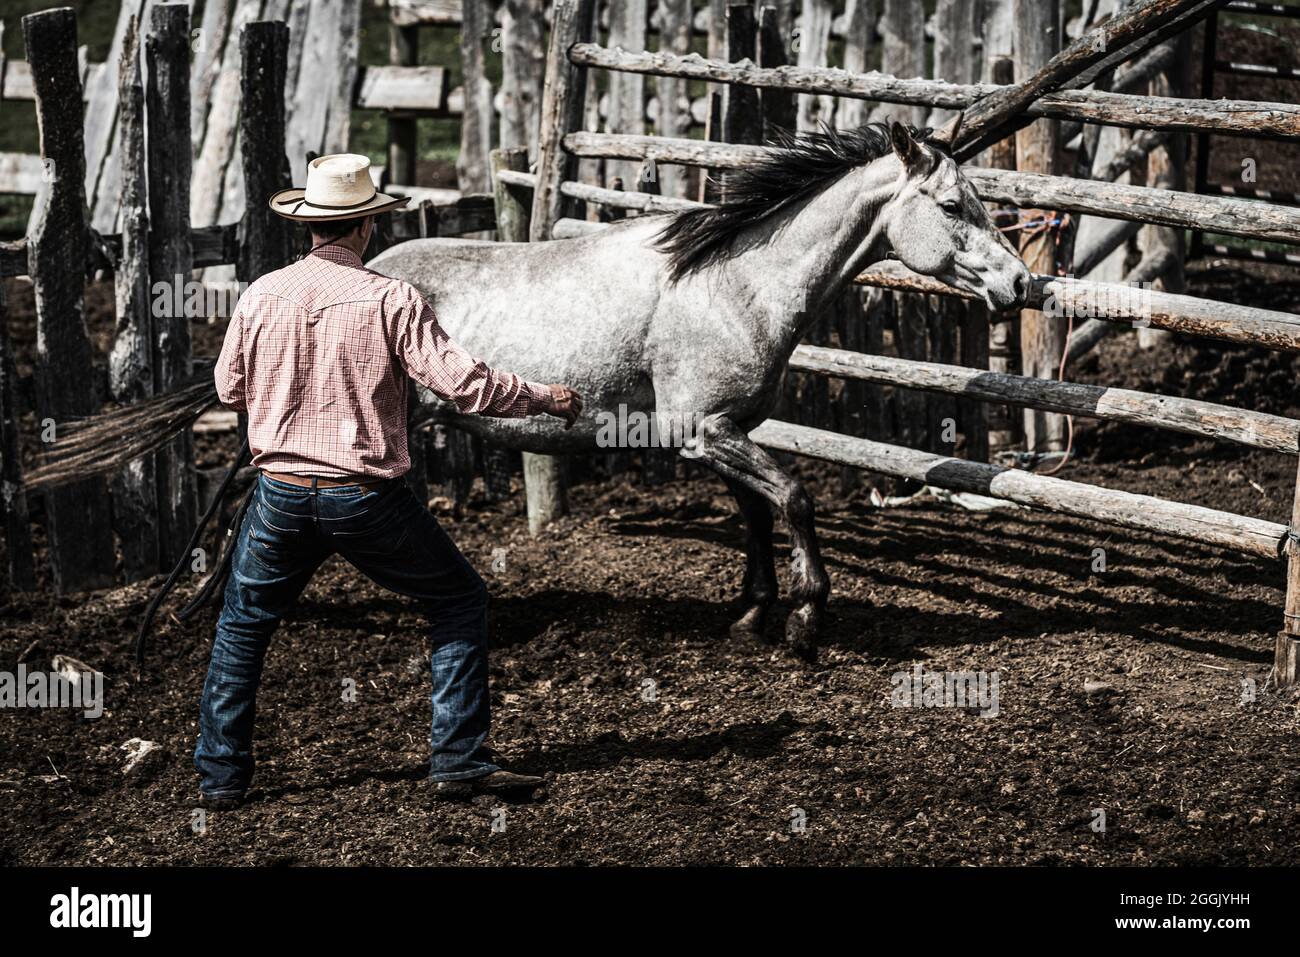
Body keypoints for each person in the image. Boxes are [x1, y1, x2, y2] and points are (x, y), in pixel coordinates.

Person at [195, 154, 582, 809]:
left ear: (311, 227)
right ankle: (458, 758)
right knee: (459, 600)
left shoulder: (261, 293)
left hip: (281, 492)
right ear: (368, 224)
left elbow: (230, 388)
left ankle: (222, 779)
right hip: (364, 497)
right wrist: (544, 396)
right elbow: (465, 385)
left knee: (241, 625)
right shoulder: (390, 299)